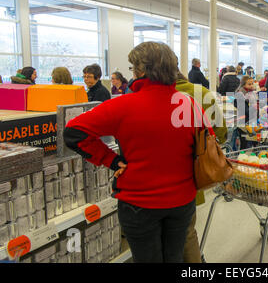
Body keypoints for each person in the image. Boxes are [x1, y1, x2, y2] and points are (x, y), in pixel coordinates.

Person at [64, 42, 198, 263]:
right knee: (174, 257)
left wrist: (112, 160)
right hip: (182, 201)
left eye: (133, 67)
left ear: (142, 71)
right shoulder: (190, 104)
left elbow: (72, 132)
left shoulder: (123, 105)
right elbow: (207, 143)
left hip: (139, 202)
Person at [175, 71, 227, 263]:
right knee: (187, 228)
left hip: (161, 176)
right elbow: (220, 129)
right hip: (195, 170)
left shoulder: (154, 96)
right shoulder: (201, 92)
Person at [234, 75, 259, 149]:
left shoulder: (251, 92)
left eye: (252, 83)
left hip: (251, 121)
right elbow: (245, 110)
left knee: (254, 142)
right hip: (243, 122)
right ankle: (242, 156)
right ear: (243, 84)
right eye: (249, 84)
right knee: (244, 144)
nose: (251, 86)